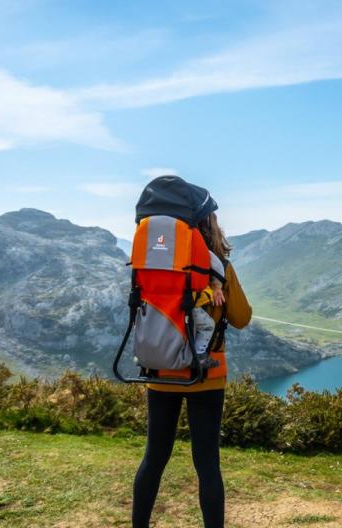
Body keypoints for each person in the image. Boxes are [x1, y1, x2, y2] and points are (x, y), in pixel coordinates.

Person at [132, 211, 251, 528]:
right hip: (205, 377)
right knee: (207, 464)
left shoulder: (154, 266)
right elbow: (241, 317)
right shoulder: (218, 266)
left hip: (159, 373)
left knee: (154, 457)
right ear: (209, 226)